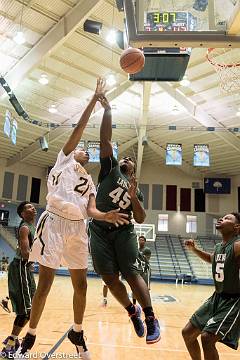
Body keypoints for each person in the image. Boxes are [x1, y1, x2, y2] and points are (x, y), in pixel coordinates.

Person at [18, 79, 129, 359]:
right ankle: (30, 336)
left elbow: (91, 210)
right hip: (54, 222)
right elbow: (79, 130)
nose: (84, 151)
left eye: (86, 152)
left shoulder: (90, 181)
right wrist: (94, 100)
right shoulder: (64, 160)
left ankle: (77, 332)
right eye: (82, 149)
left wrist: (106, 214)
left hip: (79, 228)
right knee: (45, 285)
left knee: (81, 285)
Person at [88, 93, 160, 344]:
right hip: (98, 229)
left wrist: (134, 197)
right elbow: (105, 139)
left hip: (124, 231)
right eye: (125, 157)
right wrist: (108, 111)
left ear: (135, 170)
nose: (127, 159)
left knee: (130, 271)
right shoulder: (110, 168)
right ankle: (133, 311)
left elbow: (140, 218)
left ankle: (151, 318)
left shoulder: (136, 190)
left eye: (131, 159)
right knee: (108, 278)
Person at [182, 212, 240, 360]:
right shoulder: (220, 246)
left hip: (234, 301)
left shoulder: (237, 246)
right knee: (187, 333)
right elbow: (211, 259)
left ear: (236, 227)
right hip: (216, 298)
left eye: (227, 218)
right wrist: (194, 250)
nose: (222, 219)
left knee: (207, 338)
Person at [1, 202, 37, 358]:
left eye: (33, 206)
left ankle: (12, 342)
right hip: (21, 267)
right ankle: (10, 346)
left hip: (25, 269)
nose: (33, 208)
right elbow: (25, 253)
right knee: (27, 311)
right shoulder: (24, 228)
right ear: (22, 213)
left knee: (31, 309)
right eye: (29, 207)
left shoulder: (31, 226)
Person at [132, 236, 152, 305]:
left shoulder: (147, 250)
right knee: (134, 287)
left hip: (145, 270)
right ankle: (134, 304)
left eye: (142, 240)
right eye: (140, 240)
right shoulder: (136, 250)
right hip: (138, 270)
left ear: (145, 241)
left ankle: (147, 305)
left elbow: (145, 260)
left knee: (145, 289)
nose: (141, 241)